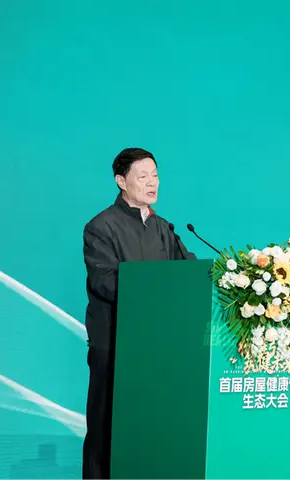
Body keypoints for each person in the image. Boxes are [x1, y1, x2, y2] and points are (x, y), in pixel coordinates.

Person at [81, 147, 195, 480]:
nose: (152, 183)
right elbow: (105, 282)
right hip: (115, 344)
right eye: (142, 176)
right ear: (121, 181)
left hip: (157, 347)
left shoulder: (162, 227)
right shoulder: (100, 226)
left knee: (150, 425)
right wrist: (154, 290)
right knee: (106, 426)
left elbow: (187, 272)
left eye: (155, 175)